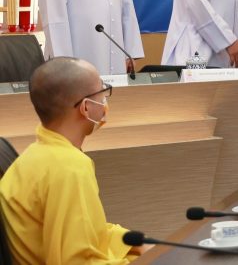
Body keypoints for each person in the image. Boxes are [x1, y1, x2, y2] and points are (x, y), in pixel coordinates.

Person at [0, 57, 148, 264]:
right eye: (102, 92)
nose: (105, 101)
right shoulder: (69, 169)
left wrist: (135, 244)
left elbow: (88, 232)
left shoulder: (37, 155)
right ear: (86, 107)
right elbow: (77, 260)